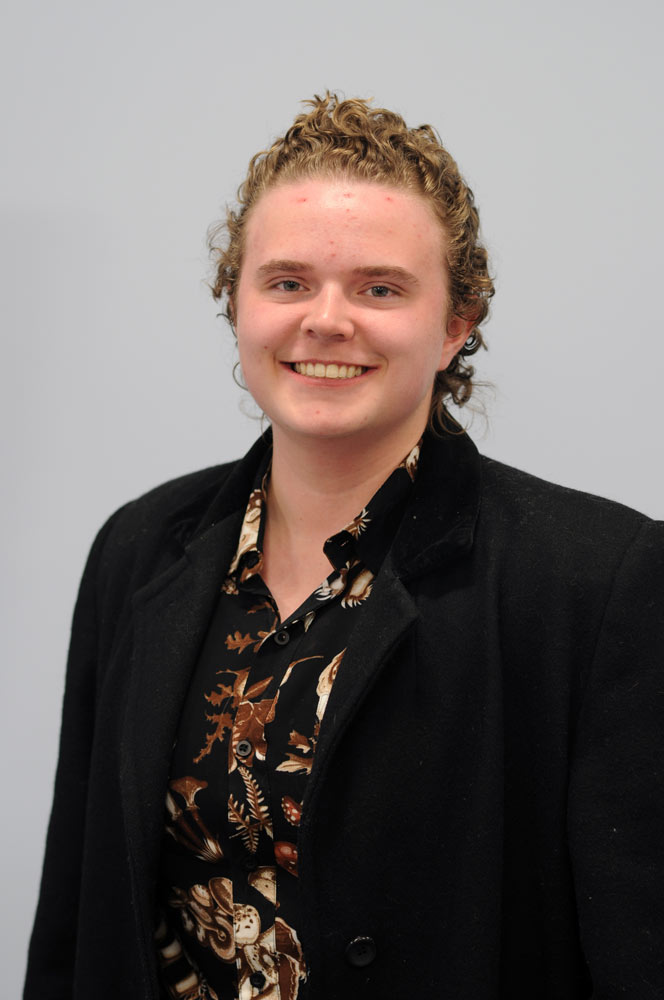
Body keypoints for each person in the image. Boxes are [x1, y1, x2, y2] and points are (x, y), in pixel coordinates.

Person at [24, 93, 663, 1000]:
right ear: (235, 301)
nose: (327, 320)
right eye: (286, 282)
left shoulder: (599, 581)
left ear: (456, 324)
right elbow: (76, 918)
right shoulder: (137, 549)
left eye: (380, 287)